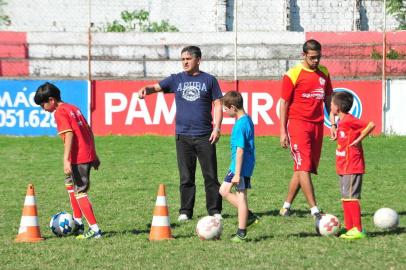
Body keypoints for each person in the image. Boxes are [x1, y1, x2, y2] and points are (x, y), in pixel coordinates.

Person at [138, 46, 223, 222]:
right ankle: (185, 211)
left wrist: (217, 127)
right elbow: (156, 87)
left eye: (188, 59)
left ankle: (214, 210)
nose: (185, 62)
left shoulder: (209, 80)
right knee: (186, 177)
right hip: (182, 136)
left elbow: (217, 104)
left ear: (198, 60)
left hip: (205, 135)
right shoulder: (176, 79)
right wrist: (146, 89)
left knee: (211, 176)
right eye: (182, 59)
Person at [34, 82, 102, 239]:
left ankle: (95, 229)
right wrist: (95, 154)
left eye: (42, 104)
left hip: (78, 157)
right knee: (70, 185)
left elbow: (69, 134)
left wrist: (66, 159)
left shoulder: (60, 112)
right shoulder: (73, 108)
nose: (42, 109)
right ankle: (78, 223)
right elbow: (88, 130)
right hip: (86, 154)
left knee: (80, 192)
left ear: (51, 100)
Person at [279, 39, 335, 218]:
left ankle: (286, 207)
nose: (316, 61)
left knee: (304, 167)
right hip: (298, 124)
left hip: (317, 125)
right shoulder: (293, 74)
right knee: (303, 166)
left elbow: (328, 99)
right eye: (312, 58)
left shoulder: (324, 73)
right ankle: (315, 210)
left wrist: (333, 123)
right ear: (303, 55)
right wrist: (282, 131)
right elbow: (284, 103)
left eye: (318, 57)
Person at [330, 91, 375, 239]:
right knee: (345, 198)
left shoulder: (349, 120)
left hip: (352, 165)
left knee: (351, 197)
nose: (330, 106)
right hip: (343, 165)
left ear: (337, 107)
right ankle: (349, 228)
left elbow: (370, 125)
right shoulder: (342, 121)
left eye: (331, 104)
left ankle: (358, 229)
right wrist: (334, 127)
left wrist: (359, 138)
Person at [219, 91, 259, 243]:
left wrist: (237, 173)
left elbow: (240, 149)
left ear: (233, 107)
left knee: (241, 197)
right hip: (239, 165)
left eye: (225, 108)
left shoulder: (240, 125)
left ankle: (241, 233)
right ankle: (248, 216)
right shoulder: (247, 119)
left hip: (240, 167)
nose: (224, 111)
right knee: (223, 190)